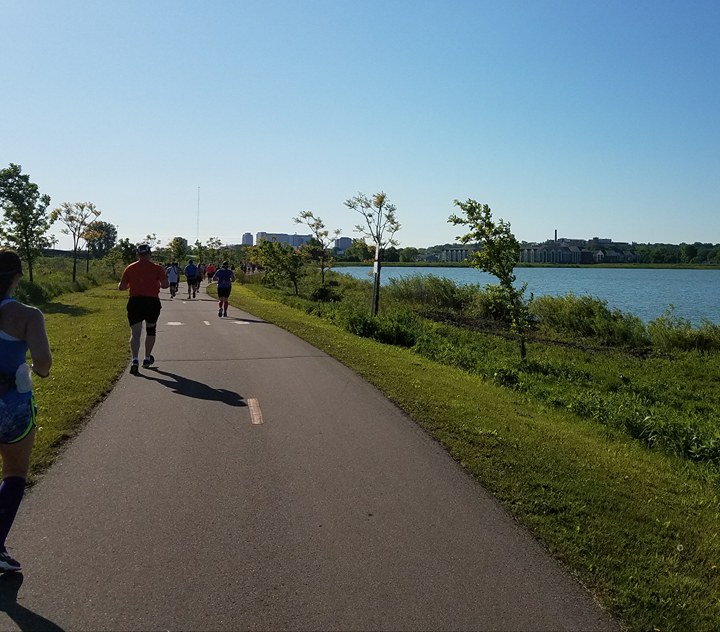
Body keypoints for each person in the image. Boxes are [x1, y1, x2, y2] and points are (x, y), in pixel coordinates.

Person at [0, 248, 52, 572]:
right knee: (14, 473)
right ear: (17, 277)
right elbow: (43, 363)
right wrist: (37, 371)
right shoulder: (28, 315)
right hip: (11, 408)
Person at [118, 244, 169, 374]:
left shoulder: (130, 268)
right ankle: (147, 358)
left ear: (137, 255)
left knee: (135, 334)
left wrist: (131, 284)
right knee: (151, 330)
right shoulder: (157, 268)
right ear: (150, 254)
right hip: (152, 302)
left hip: (135, 302)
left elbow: (121, 287)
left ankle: (135, 359)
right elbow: (165, 285)